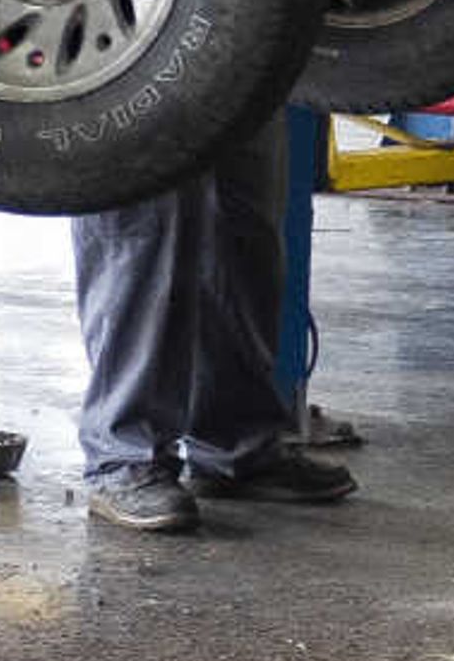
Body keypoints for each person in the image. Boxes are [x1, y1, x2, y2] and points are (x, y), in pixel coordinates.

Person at [68, 110, 354, 533]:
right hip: (141, 63)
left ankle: (235, 449)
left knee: (244, 231)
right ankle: (124, 457)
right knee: (143, 231)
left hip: (247, 57)